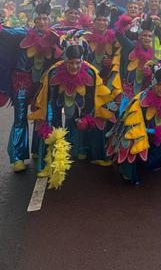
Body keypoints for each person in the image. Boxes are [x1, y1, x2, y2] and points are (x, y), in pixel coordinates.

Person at [29, 43, 115, 174]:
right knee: (49, 123)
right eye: (70, 63)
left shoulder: (90, 73)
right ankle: (47, 163)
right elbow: (51, 102)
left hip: (81, 99)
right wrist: (50, 123)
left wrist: (85, 118)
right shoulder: (54, 73)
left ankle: (91, 153)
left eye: (77, 63)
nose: (74, 66)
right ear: (65, 61)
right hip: (58, 99)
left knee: (97, 116)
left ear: (82, 61)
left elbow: (91, 101)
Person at [0, 0, 64, 171]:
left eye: (45, 19)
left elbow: (63, 56)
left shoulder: (54, 38)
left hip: (41, 84)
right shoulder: (22, 33)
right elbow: (4, 32)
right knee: (20, 118)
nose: (42, 22)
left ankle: (38, 148)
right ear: (33, 20)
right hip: (21, 81)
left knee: (41, 115)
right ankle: (18, 158)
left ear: (49, 21)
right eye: (38, 19)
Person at [106, 64, 161, 184]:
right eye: (159, 84)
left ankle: (159, 161)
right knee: (131, 140)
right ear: (154, 83)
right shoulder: (141, 100)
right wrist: (155, 132)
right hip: (145, 139)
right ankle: (137, 169)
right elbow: (132, 128)